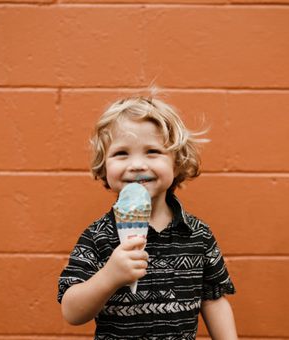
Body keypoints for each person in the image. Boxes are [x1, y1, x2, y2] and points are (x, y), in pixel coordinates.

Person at [57, 96, 238, 339]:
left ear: (177, 163)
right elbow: (71, 312)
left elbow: (214, 300)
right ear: (104, 167)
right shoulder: (98, 236)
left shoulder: (198, 234)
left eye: (152, 151)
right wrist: (109, 276)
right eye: (121, 153)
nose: (137, 164)